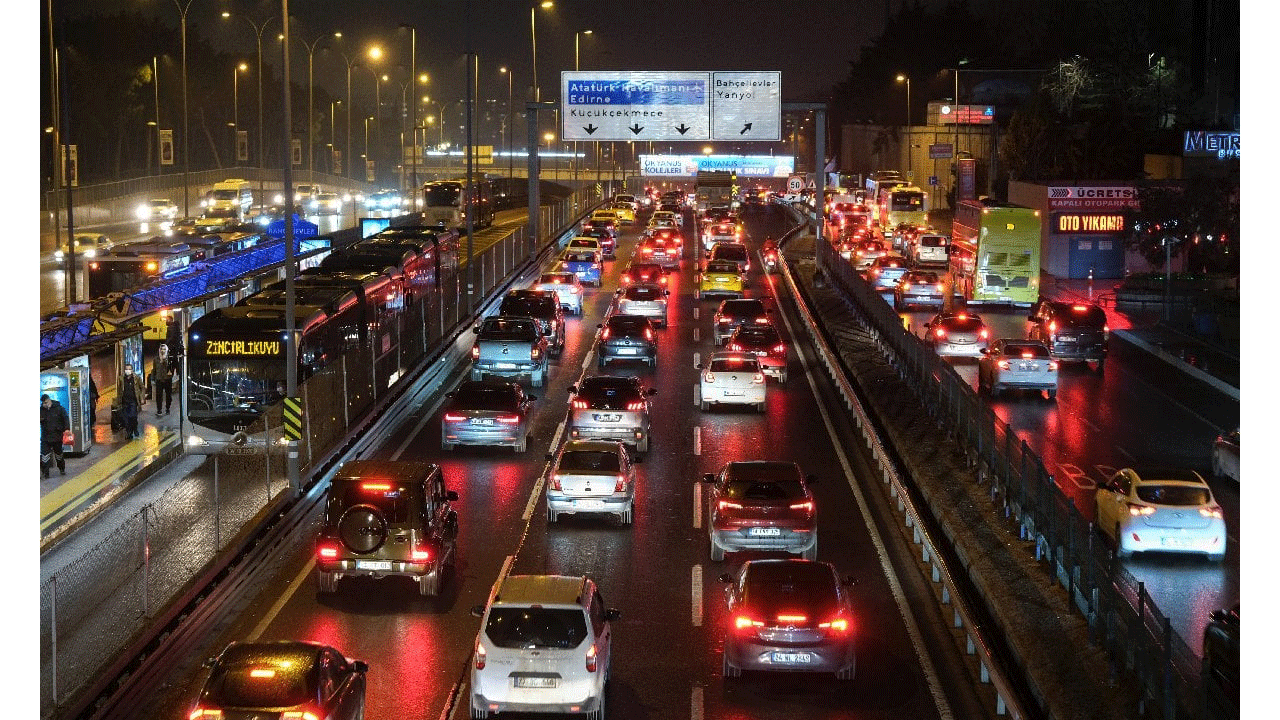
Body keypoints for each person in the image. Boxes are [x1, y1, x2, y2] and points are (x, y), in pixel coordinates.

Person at [40, 394, 70, 478]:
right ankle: (45, 473)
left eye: (46, 402)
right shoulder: (41, 410)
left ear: (49, 400)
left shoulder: (59, 408)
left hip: (57, 436)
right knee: (45, 456)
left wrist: (67, 429)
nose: (45, 405)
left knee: (59, 455)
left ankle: (61, 468)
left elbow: (65, 418)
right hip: (45, 437)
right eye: (43, 403)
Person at [115, 364, 146, 440]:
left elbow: (142, 388)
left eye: (129, 369)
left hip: (133, 401)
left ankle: (134, 429)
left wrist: (141, 398)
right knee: (126, 419)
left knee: (133, 416)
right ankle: (129, 432)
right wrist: (118, 401)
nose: (127, 371)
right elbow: (119, 391)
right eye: (126, 369)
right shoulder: (121, 379)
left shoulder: (136, 378)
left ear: (132, 370)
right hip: (125, 401)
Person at [152, 349, 174, 415]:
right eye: (161, 349)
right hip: (159, 379)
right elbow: (154, 369)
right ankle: (159, 410)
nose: (162, 351)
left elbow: (173, 368)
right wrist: (153, 378)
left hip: (167, 379)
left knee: (168, 395)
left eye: (164, 349)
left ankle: (167, 408)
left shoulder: (169, 358)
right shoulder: (156, 359)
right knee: (158, 395)